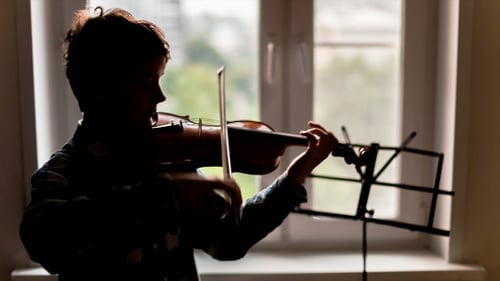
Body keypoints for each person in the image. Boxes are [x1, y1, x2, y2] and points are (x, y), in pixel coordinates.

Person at [19, 6, 338, 281]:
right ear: (101, 89)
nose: (160, 96)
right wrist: (164, 194)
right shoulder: (63, 173)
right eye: (147, 83)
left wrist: (293, 178)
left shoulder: (165, 160)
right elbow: (44, 239)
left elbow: (228, 242)